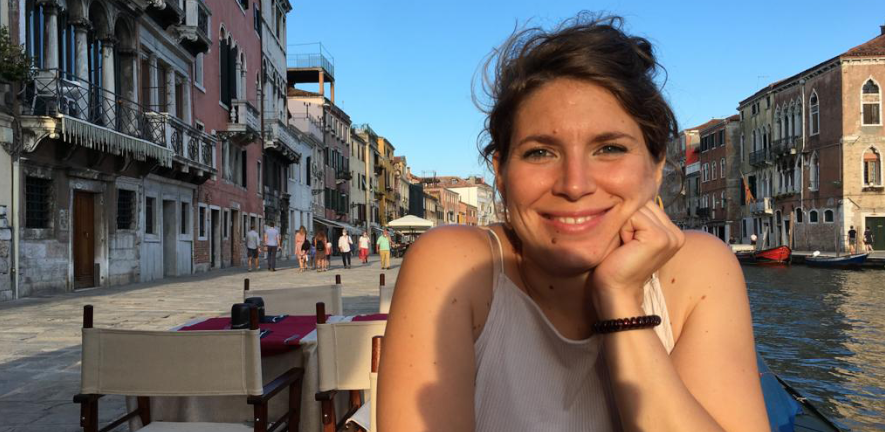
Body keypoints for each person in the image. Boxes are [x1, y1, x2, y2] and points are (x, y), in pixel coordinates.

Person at [378, 15, 769, 432]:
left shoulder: (699, 268)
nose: (575, 184)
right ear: (502, 173)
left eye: (610, 148)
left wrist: (619, 302)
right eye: (540, 153)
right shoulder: (453, 266)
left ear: (655, 168)